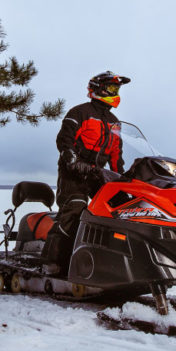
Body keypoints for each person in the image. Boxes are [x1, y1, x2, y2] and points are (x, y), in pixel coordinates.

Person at [42, 71, 130, 274]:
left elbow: (116, 154)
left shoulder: (114, 121)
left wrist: (122, 180)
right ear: (97, 89)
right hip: (73, 172)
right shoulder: (79, 112)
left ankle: (113, 261)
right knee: (74, 208)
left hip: (98, 174)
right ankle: (52, 261)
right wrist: (73, 161)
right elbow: (64, 140)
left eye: (116, 89)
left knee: (120, 209)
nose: (115, 92)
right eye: (111, 88)